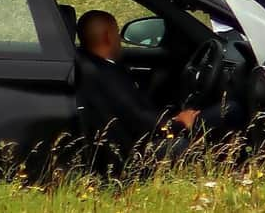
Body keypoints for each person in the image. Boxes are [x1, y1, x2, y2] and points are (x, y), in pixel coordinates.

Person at [74, 10, 244, 171]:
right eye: (117, 33)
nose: (119, 39)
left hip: (150, 133)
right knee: (230, 110)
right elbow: (137, 118)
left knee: (225, 111)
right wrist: (177, 123)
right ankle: (239, 163)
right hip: (141, 149)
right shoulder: (105, 75)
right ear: (107, 37)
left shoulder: (94, 65)